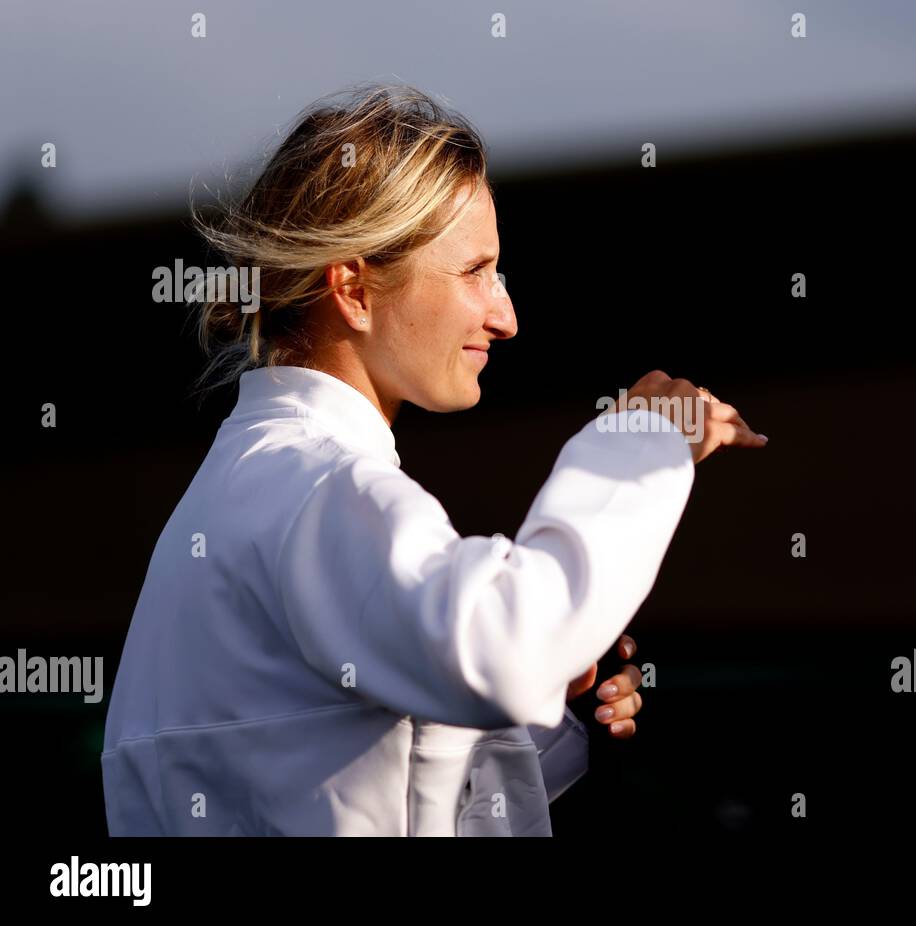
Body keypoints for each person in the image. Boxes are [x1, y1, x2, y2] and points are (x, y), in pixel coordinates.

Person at [100, 84, 766, 836]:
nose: (505, 316)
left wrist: (557, 702)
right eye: (475, 271)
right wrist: (639, 441)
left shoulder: (234, 496)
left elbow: (350, 790)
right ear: (353, 288)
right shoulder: (323, 487)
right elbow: (504, 648)